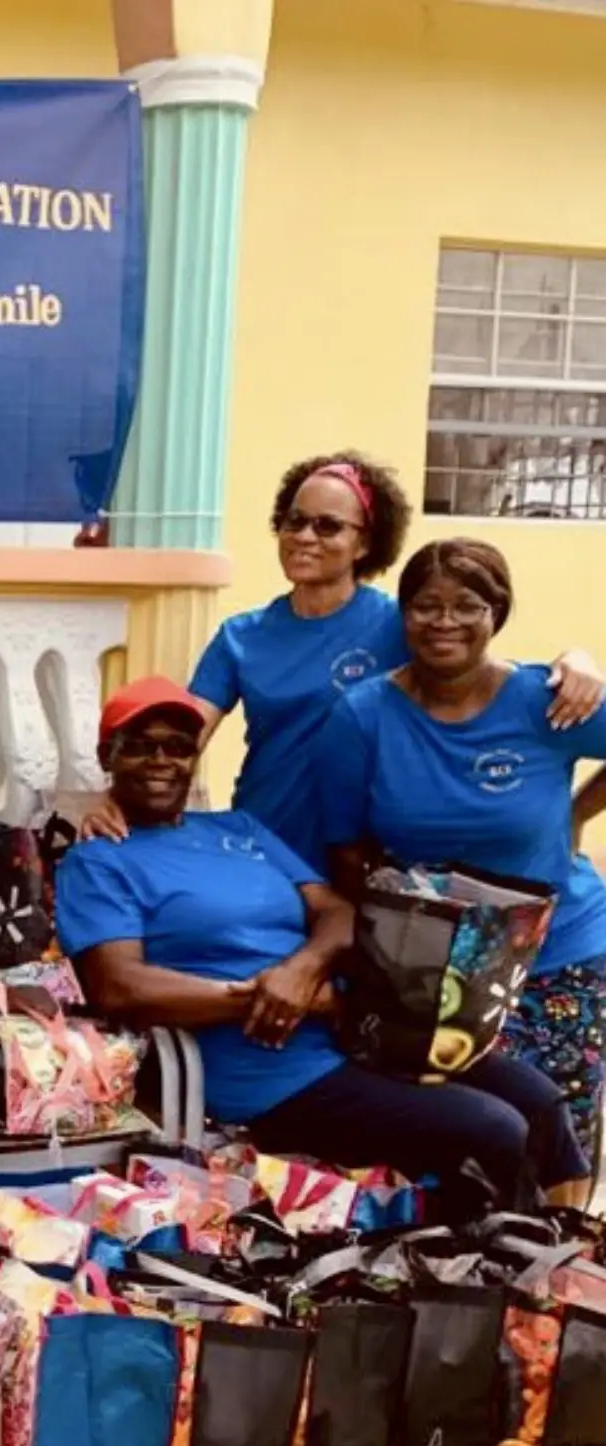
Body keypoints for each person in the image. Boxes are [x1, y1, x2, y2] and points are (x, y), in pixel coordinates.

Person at [57, 675, 592, 1220]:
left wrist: (302, 970)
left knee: (540, 1100)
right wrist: (274, 998)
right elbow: (119, 987)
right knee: (492, 1128)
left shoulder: (237, 828)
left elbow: (337, 911)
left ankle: (560, 1255)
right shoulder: (100, 861)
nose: (161, 760)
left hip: (355, 1032)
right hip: (266, 1070)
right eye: (141, 746)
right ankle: (506, 1275)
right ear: (108, 757)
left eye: (176, 746)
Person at [82, 453, 601, 865]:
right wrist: (116, 795)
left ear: (365, 542)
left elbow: (479, 667)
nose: (305, 537)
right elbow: (180, 736)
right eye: (294, 521)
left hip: (365, 856)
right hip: (267, 844)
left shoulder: (403, 622)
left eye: (328, 526)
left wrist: (576, 661)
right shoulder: (241, 637)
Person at [317, 538, 606, 1166]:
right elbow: (345, 849)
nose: (444, 621)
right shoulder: (363, 715)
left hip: (558, 956)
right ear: (404, 615)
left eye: (466, 605)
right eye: (426, 605)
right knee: (469, 1141)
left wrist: (577, 811)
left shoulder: (545, 700)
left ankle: (561, 1262)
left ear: (495, 614)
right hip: (429, 976)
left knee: (561, 1135)